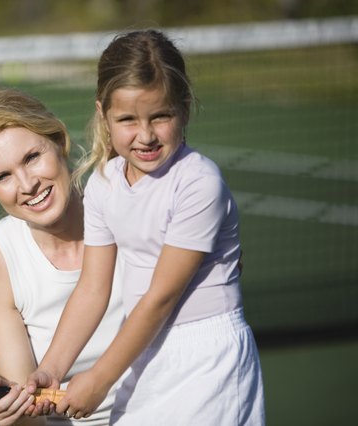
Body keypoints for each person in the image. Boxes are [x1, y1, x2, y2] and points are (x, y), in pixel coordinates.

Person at [26, 30, 265, 425]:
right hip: (145, 354)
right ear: (103, 114)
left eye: (161, 116)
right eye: (127, 120)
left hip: (208, 359)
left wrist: (101, 378)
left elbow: (160, 298)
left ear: (184, 109)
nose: (146, 135)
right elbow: (92, 288)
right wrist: (50, 369)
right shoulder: (104, 183)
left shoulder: (198, 182)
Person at [0, 88, 125, 425]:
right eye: (2, 177)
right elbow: (31, 416)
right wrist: (11, 414)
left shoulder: (127, 207)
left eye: (32, 157)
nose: (27, 184)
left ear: (60, 141)